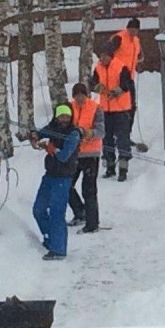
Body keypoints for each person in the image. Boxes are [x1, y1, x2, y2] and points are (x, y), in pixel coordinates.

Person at [30, 104, 81, 260]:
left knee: (56, 213)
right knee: (38, 209)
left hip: (63, 177)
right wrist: (34, 136)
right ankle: (50, 239)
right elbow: (41, 133)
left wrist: (51, 148)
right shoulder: (53, 127)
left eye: (67, 116)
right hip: (50, 175)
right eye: (61, 116)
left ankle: (58, 249)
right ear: (56, 117)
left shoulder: (73, 133)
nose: (64, 119)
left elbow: (64, 155)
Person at [89, 47, 133, 182]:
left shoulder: (121, 67)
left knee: (122, 139)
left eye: (105, 56)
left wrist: (118, 90)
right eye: (101, 56)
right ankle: (110, 166)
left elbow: (128, 84)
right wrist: (97, 87)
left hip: (121, 109)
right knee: (106, 139)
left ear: (111, 56)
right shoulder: (98, 68)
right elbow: (93, 83)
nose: (102, 59)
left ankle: (123, 168)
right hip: (105, 109)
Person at [67, 83, 105, 233]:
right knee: (67, 185)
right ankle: (80, 212)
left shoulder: (96, 108)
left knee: (88, 190)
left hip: (91, 154)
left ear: (86, 95)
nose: (79, 98)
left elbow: (101, 131)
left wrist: (90, 133)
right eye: (77, 95)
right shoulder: (69, 107)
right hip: (74, 154)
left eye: (82, 95)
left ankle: (92, 223)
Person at [109, 17, 144, 137]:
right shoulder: (119, 38)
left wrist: (138, 62)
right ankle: (114, 134)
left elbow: (139, 55)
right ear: (127, 28)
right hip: (117, 78)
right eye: (131, 29)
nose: (133, 32)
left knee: (131, 107)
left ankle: (125, 134)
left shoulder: (136, 41)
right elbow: (107, 53)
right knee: (117, 107)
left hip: (129, 79)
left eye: (135, 30)